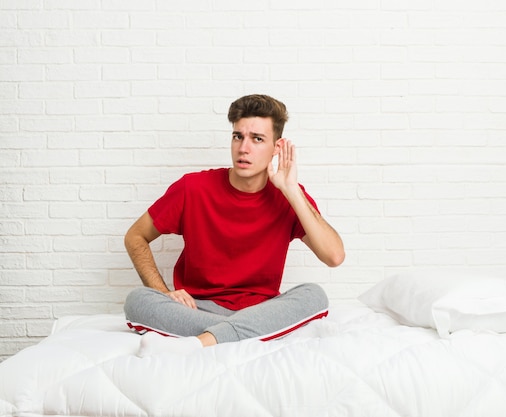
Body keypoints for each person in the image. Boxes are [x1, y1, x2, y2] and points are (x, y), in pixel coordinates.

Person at [123, 94, 345, 356]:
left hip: (260, 309)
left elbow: (334, 256)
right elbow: (135, 236)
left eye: (257, 139)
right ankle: (251, 333)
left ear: (277, 147)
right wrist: (164, 293)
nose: (243, 148)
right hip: (196, 308)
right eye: (238, 136)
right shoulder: (193, 188)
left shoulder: (288, 197)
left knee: (314, 296)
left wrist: (291, 190)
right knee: (137, 301)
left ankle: (199, 343)